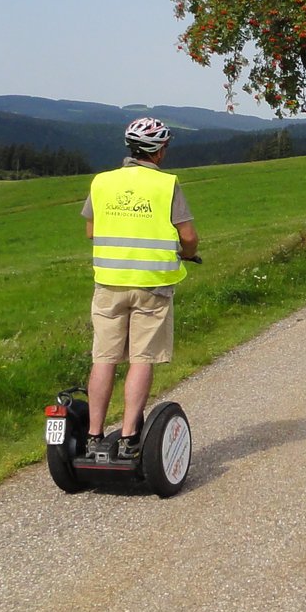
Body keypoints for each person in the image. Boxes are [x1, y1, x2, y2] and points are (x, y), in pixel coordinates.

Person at [81, 117, 199, 460]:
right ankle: (130, 436)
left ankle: (93, 435)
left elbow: (91, 231)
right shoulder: (167, 185)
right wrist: (186, 254)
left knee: (104, 358)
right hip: (152, 287)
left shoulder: (101, 182)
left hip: (109, 284)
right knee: (142, 358)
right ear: (159, 152)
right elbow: (188, 236)